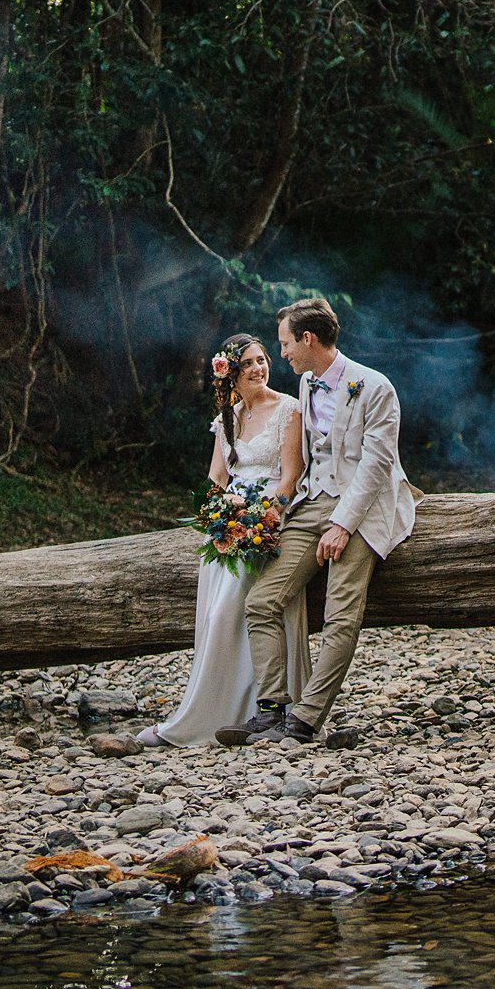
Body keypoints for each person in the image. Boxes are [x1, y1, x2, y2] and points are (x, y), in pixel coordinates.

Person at [218, 295, 418, 746]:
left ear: (308, 339)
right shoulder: (308, 385)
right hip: (313, 503)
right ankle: (271, 709)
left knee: (340, 612)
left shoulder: (375, 386)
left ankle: (306, 718)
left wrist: (343, 525)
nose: (282, 353)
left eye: (285, 343)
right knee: (261, 601)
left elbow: (375, 466)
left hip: (365, 509)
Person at [136, 334, 311, 747]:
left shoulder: (289, 409)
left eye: (262, 360)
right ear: (230, 373)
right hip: (231, 527)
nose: (258, 368)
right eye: (247, 363)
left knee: (245, 611)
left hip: (269, 522)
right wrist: (219, 514)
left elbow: (291, 477)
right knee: (217, 618)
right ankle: (213, 710)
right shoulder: (227, 417)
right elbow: (217, 477)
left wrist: (263, 517)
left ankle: (268, 708)